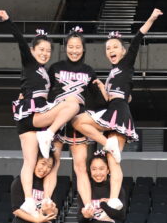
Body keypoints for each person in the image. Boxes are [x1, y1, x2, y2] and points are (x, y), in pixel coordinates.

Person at [0, 9, 80, 213]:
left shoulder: (44, 71)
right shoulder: (29, 63)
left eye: (48, 51)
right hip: (33, 113)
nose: (44, 53)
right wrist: (8, 20)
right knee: (73, 104)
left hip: (30, 118)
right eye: (41, 49)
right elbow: (20, 41)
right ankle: (49, 133)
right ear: (32, 51)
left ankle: (28, 199)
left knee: (29, 161)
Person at [88, 8, 163, 204]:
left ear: (123, 50)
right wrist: (101, 87)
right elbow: (109, 98)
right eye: (108, 48)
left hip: (119, 111)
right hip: (111, 108)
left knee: (112, 160)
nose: (111, 50)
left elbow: (138, 38)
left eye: (115, 47)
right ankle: (110, 195)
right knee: (107, 154)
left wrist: (151, 18)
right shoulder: (112, 72)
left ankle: (114, 198)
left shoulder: (126, 63)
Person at [47, 26, 120, 207]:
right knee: (53, 164)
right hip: (57, 119)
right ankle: (46, 199)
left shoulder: (89, 71)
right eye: (71, 46)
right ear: (65, 47)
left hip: (77, 121)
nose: (74, 50)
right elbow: (45, 93)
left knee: (80, 167)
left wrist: (105, 92)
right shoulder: (55, 68)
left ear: (84, 48)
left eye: (78, 47)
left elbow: (97, 101)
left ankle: (87, 205)